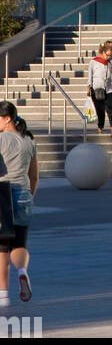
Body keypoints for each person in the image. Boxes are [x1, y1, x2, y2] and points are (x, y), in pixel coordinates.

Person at [0, 101, 38, 306]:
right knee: (19, 244)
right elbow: (35, 176)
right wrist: (29, 196)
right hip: (23, 193)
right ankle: (22, 272)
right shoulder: (29, 141)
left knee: (2, 247)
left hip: (2, 194)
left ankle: (3, 295)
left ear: (7, 118)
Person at [87, 39, 112, 136]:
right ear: (102, 52)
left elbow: (110, 77)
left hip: (108, 89)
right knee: (100, 110)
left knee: (110, 108)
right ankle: (100, 128)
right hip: (97, 88)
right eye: (107, 55)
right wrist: (89, 88)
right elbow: (90, 75)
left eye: (110, 55)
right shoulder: (93, 62)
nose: (109, 57)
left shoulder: (109, 64)